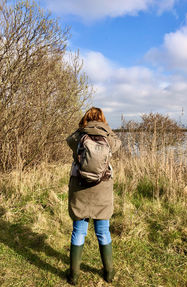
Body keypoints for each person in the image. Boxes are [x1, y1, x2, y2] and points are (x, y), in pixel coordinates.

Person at [66, 107, 121, 285]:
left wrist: (82, 127)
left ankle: (73, 275)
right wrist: (107, 128)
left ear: (86, 118)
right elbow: (118, 144)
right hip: (102, 189)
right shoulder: (108, 137)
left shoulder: (79, 136)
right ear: (102, 119)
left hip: (80, 188)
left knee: (79, 231)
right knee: (103, 231)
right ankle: (109, 273)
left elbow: (69, 140)